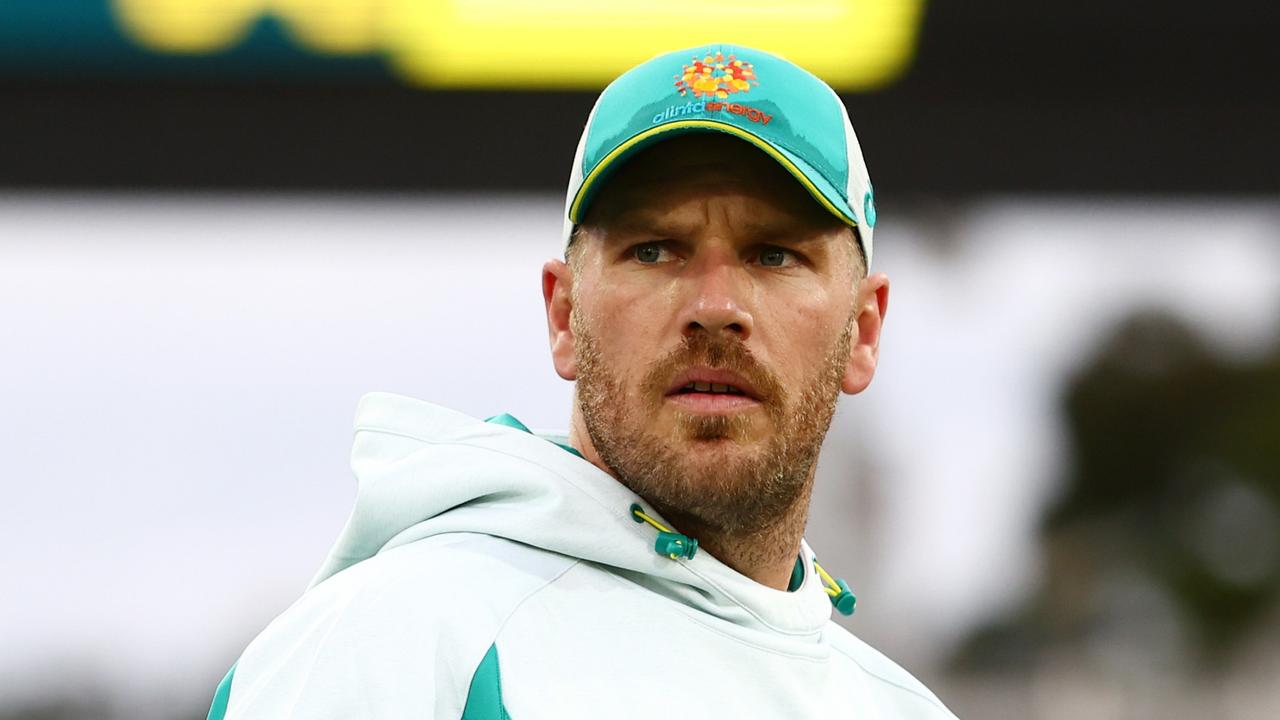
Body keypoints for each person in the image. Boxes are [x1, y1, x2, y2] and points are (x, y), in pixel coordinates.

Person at [208, 44, 956, 719]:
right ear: (563, 316)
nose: (715, 308)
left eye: (774, 255)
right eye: (655, 250)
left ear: (863, 331)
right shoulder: (398, 645)